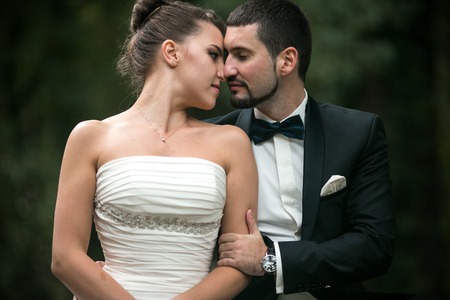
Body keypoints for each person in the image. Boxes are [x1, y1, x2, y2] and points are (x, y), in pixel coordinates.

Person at [50, 0, 258, 299]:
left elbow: (238, 265)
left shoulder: (232, 143)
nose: (224, 72)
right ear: (171, 52)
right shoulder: (91, 136)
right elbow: (65, 258)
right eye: (213, 54)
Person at [212, 0, 396, 299]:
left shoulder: (358, 133)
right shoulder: (211, 138)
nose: (226, 69)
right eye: (224, 55)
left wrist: (274, 261)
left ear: (286, 61)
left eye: (241, 55)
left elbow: (375, 245)